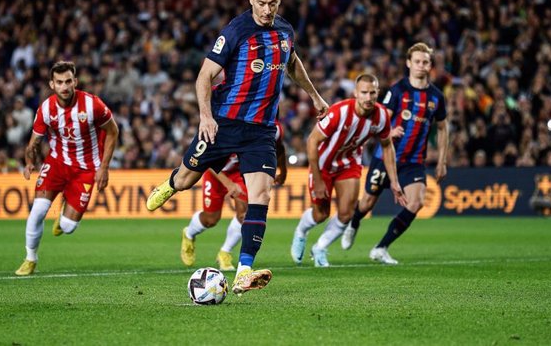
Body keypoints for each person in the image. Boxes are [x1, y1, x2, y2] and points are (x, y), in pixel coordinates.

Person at [146, 0, 328, 295]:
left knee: (261, 196)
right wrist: (205, 117)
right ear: (250, 0)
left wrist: (314, 95)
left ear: (280, 0)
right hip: (223, 122)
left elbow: (293, 62)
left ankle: (244, 270)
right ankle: (171, 183)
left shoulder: (285, 31)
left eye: (272, 3)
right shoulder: (235, 31)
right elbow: (204, 77)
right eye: (261, 3)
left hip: (260, 130)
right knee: (188, 180)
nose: (267, 10)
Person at [343, 42, 449, 265]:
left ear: (430, 65)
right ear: (409, 63)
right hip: (386, 158)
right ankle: (354, 221)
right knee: (367, 203)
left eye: (425, 62)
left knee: (417, 202)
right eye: (417, 61)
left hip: (413, 161)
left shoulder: (436, 97)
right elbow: (381, 119)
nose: (421, 65)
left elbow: (442, 128)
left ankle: (381, 247)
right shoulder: (397, 90)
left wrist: (442, 160)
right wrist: (390, 131)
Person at [15, 61, 119, 276]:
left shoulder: (92, 105)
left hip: (87, 168)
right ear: (52, 84)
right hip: (57, 164)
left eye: (68, 81)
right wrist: (28, 162)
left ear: (75, 82)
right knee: (37, 213)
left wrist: (104, 168)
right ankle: (30, 258)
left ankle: (64, 211)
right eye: (59, 82)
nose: (65, 86)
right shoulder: (46, 109)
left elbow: (113, 131)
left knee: (69, 227)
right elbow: (33, 143)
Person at [290, 74, 403, 267]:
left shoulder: (382, 116)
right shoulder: (339, 112)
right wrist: (317, 179)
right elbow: (312, 141)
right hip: (323, 165)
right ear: (356, 93)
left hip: (349, 164)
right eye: (364, 93)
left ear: (378, 93)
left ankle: (320, 248)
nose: (368, 97)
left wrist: (394, 181)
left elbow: (387, 146)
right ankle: (301, 232)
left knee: (346, 213)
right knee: (320, 215)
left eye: (372, 93)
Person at [181, 120, 287, 271]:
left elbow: (279, 147)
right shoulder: (221, 124)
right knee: (211, 219)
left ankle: (225, 252)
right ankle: (189, 233)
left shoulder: (272, 127)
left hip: (239, 172)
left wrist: (283, 170)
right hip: (215, 173)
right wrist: (228, 184)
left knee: (244, 213)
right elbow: (206, 161)